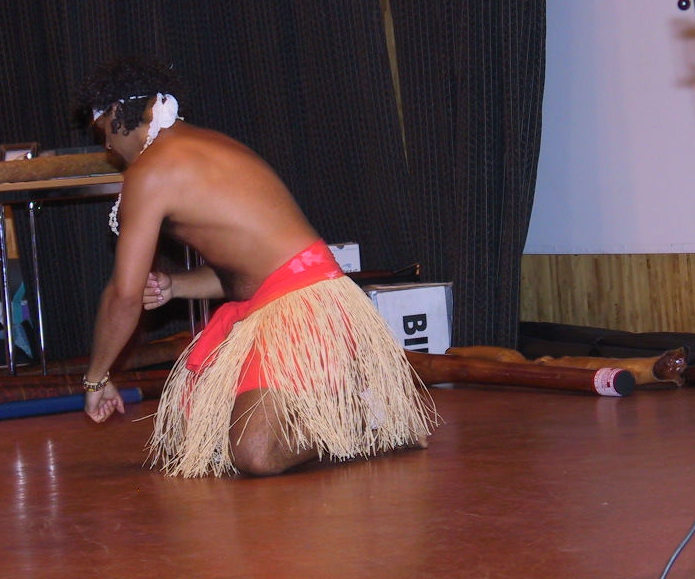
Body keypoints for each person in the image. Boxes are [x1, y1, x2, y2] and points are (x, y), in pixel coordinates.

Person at [77, 56, 435, 477]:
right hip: (280, 303)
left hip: (306, 308)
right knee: (185, 436)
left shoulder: (152, 170)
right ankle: (338, 407)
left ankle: (366, 416)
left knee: (256, 453)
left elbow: (123, 295)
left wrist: (96, 378)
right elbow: (247, 271)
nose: (107, 147)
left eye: (103, 132)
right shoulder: (204, 145)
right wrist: (175, 286)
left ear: (118, 114)